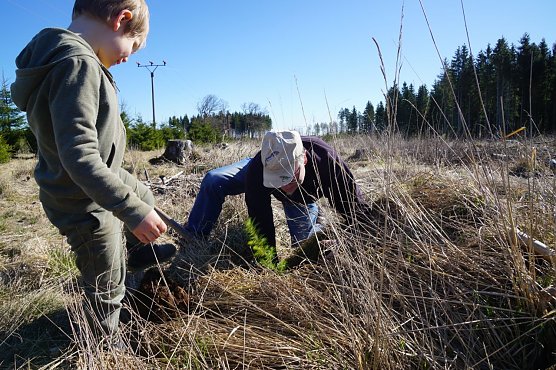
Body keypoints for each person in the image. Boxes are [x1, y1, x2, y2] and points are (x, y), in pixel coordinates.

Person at [10, 0, 176, 338]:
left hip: (94, 180)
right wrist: (132, 212)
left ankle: (141, 251)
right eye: (133, 45)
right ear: (121, 20)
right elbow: (81, 157)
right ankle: (106, 342)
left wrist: (137, 202)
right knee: (106, 282)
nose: (128, 57)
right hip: (83, 202)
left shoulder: (69, 59)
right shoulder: (78, 64)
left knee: (141, 192)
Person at [184, 130, 372, 258]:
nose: (284, 185)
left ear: (304, 159)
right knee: (214, 180)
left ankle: (317, 224)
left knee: (304, 247)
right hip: (255, 169)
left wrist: (359, 242)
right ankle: (194, 238)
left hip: (302, 200)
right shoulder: (258, 171)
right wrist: (269, 263)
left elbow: (354, 209)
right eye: (277, 179)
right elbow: (260, 219)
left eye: (290, 176)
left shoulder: (328, 163)